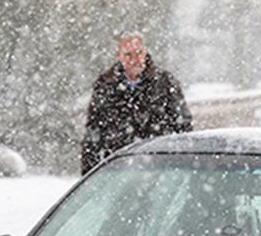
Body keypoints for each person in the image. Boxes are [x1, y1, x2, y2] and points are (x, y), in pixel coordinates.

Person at [81, 33, 193, 174]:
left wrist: (179, 165)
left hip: (158, 168)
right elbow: (93, 134)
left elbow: (183, 127)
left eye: (139, 53)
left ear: (145, 52)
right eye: (128, 55)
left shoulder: (165, 83)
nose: (135, 59)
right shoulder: (104, 85)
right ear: (118, 56)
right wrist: (89, 176)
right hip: (119, 169)